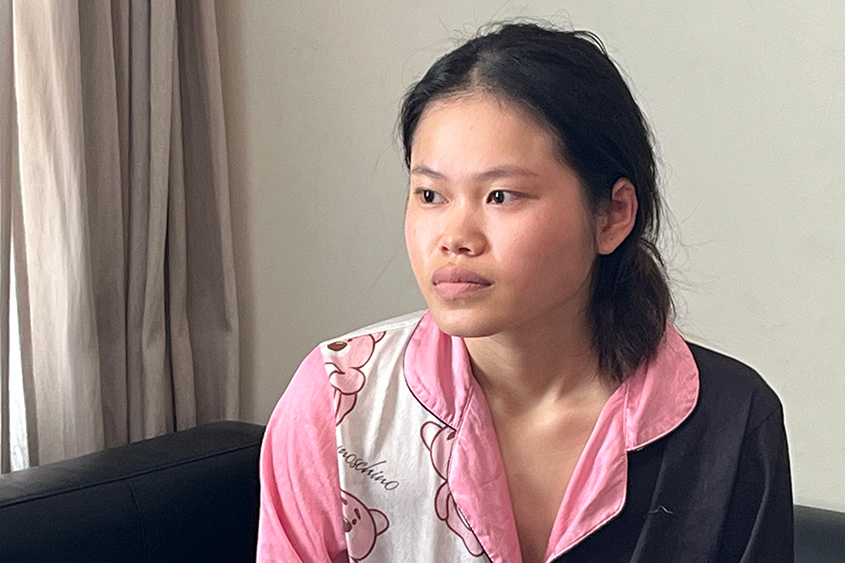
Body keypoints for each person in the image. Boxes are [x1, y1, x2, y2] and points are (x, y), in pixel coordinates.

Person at [256, 22, 793, 563]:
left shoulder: (732, 422)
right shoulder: (339, 403)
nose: (454, 238)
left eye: (501, 195)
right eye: (430, 194)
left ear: (613, 215)